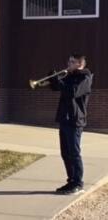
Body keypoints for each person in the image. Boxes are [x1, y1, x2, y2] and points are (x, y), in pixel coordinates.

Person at [49, 54, 93, 195]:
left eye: (72, 62)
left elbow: (72, 92)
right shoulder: (69, 76)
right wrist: (52, 79)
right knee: (65, 153)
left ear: (80, 64)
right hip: (64, 118)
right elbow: (57, 88)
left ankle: (78, 183)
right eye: (68, 61)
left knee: (74, 153)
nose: (69, 64)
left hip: (75, 120)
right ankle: (71, 181)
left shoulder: (85, 77)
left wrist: (60, 82)